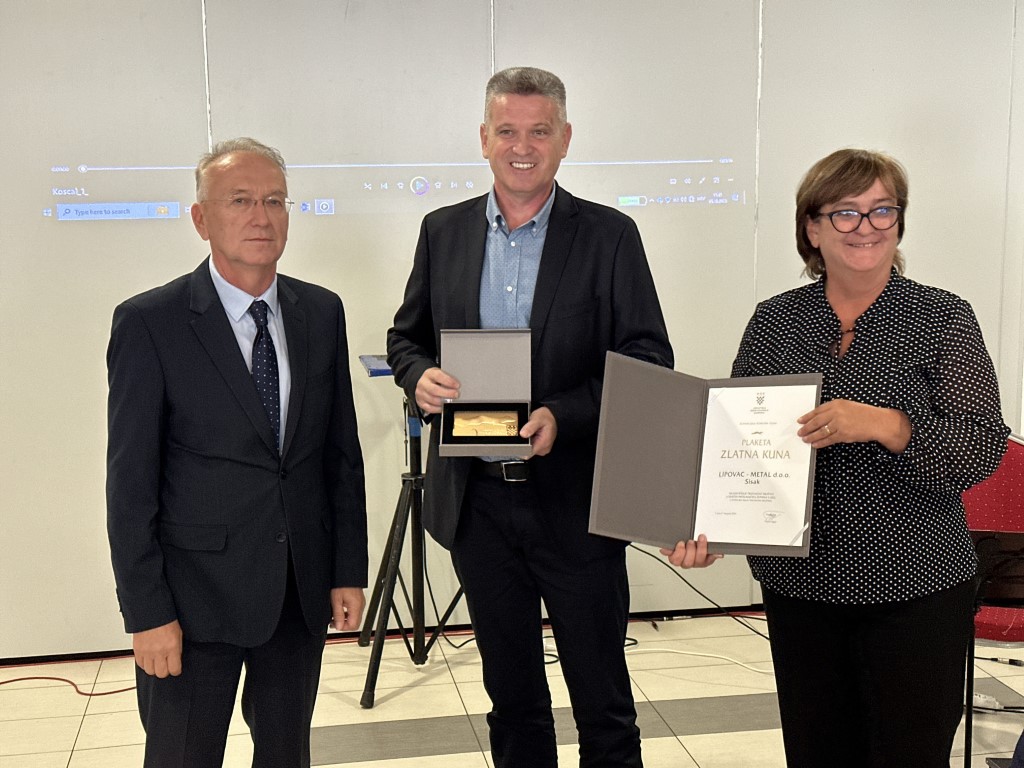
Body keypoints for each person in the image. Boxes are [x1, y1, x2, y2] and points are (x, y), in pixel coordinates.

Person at [668, 148, 1009, 766]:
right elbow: (736, 445)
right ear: (812, 228)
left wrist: (886, 424)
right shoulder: (776, 321)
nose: (867, 227)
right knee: (818, 752)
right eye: (846, 212)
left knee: (909, 754)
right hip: (803, 586)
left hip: (917, 582)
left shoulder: (942, 316)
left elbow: (980, 445)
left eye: (883, 210)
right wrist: (711, 526)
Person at [387, 66, 672, 768]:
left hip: (575, 500)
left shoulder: (609, 236)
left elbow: (647, 358)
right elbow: (406, 339)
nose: (523, 147)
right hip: (479, 503)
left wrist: (562, 415)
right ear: (483, 138)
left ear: (565, 138)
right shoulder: (443, 231)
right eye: (507, 131)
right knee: (512, 701)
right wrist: (418, 377)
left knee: (603, 702)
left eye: (539, 131)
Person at [105, 137, 368, 768]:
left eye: (275, 201)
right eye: (240, 200)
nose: (261, 217)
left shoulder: (320, 312)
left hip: (296, 593)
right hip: (192, 603)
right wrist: (146, 613)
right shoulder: (151, 322)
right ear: (201, 219)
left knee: (286, 755)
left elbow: (340, 454)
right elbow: (130, 484)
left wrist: (346, 569)